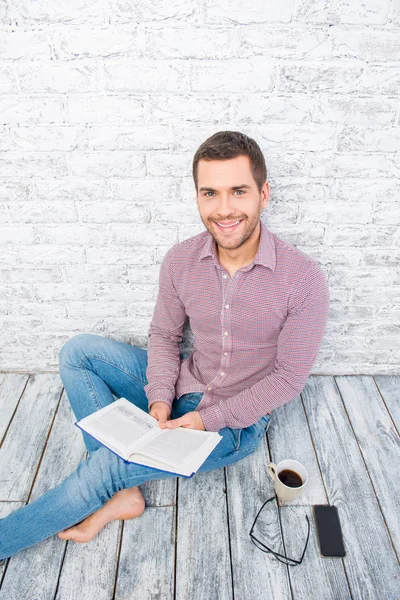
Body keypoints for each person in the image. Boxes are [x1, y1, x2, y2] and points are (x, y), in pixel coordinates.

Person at [0, 131, 330, 562]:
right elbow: (164, 336)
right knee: (78, 352)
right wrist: (159, 396)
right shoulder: (180, 259)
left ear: (264, 194)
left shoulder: (303, 279)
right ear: (197, 196)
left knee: (107, 468)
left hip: (233, 424)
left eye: (239, 191)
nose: (224, 208)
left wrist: (208, 417)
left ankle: (108, 487)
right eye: (210, 193)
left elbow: (289, 379)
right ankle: (127, 495)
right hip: (184, 384)